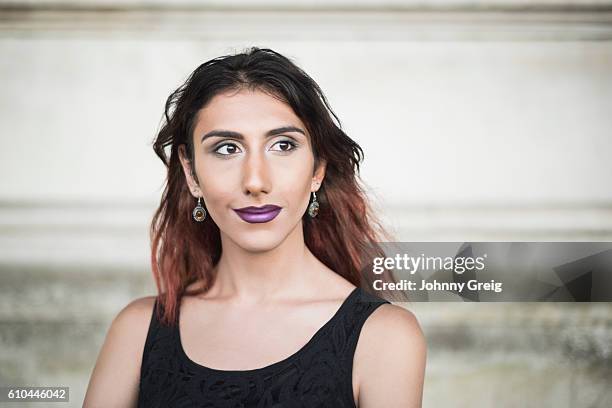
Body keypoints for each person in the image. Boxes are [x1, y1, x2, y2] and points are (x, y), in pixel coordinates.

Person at [83, 47, 426, 408]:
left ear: (318, 168)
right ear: (190, 171)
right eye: (227, 149)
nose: (255, 182)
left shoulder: (384, 336)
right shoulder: (137, 331)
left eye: (283, 145)